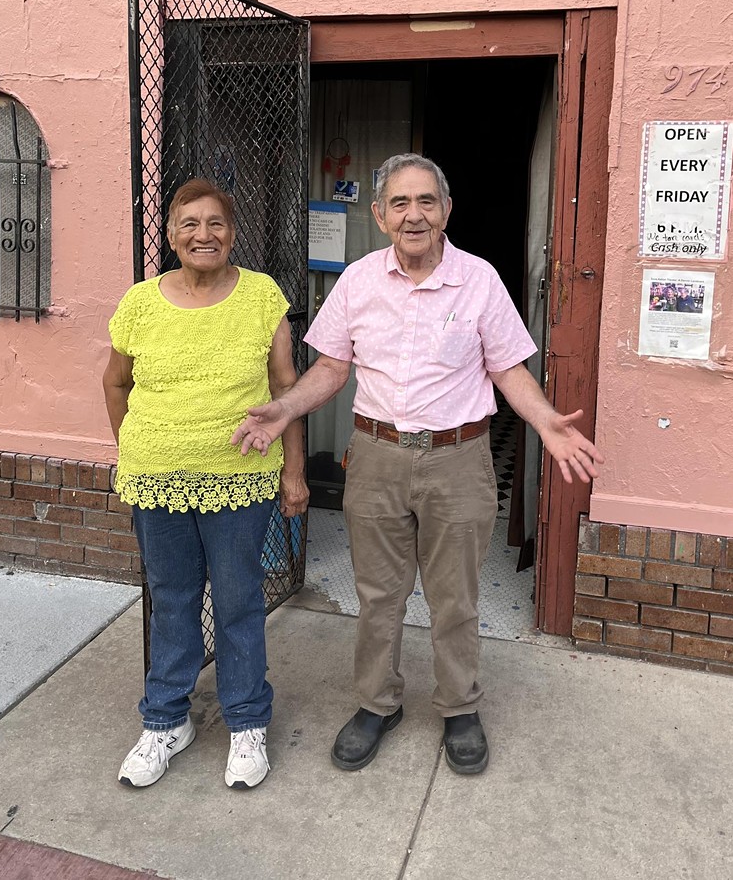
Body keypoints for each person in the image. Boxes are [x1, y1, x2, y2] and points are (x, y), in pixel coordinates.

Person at [232, 153, 602, 776]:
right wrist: (281, 409)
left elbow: (507, 368)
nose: (413, 215)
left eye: (426, 201)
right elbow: (330, 368)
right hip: (375, 455)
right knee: (379, 595)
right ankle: (378, 704)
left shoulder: (479, 279)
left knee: (454, 598)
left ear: (446, 210)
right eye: (399, 204)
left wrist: (545, 422)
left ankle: (459, 706)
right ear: (379, 215)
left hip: (458, 459)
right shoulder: (357, 281)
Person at [103, 178, 308, 791]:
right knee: (172, 599)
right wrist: (132, 448)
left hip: (238, 482)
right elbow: (115, 383)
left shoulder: (261, 297)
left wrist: (294, 473)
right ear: (169, 234)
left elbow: (285, 390)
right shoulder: (139, 302)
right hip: (156, 480)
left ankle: (247, 723)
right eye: (189, 223)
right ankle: (166, 719)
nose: (203, 234)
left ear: (232, 233)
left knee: (240, 599)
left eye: (215, 223)